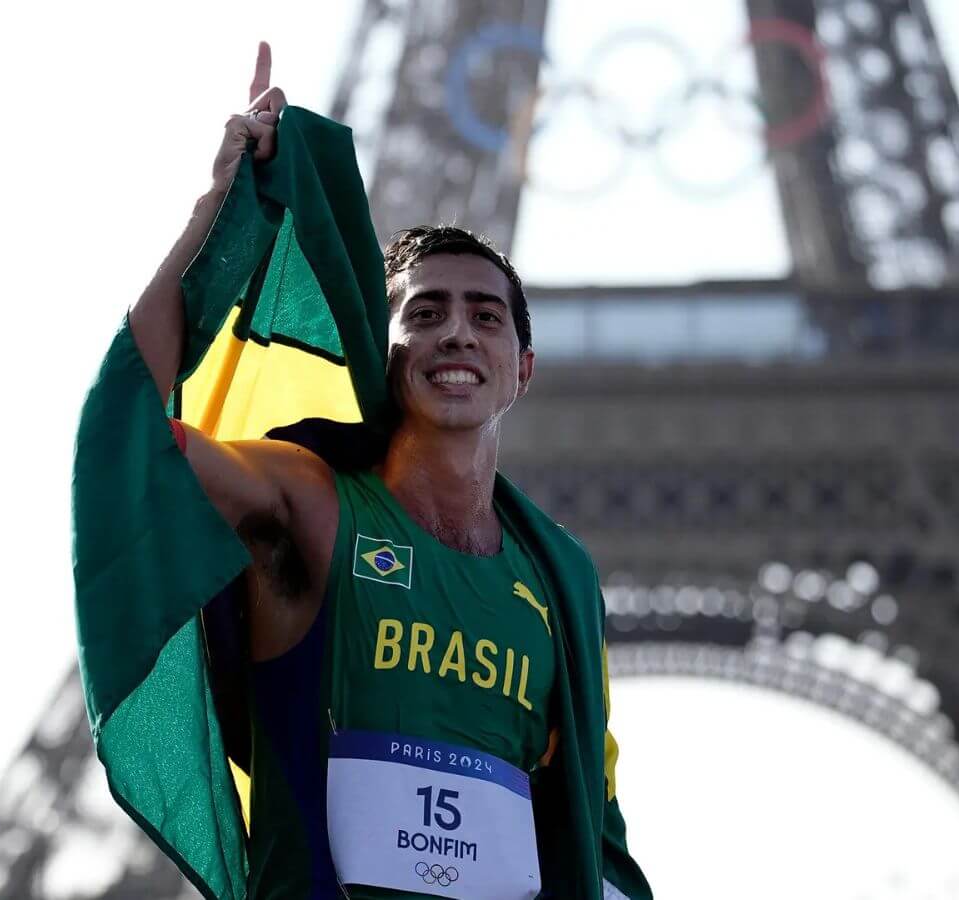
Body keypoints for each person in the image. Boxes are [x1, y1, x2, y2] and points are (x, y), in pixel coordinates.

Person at [118, 42, 651, 899]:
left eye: (486, 317)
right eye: (426, 312)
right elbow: (138, 433)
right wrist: (217, 212)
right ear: (387, 350)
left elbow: (590, 813)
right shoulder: (314, 506)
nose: (456, 334)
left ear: (522, 368)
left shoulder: (562, 581)